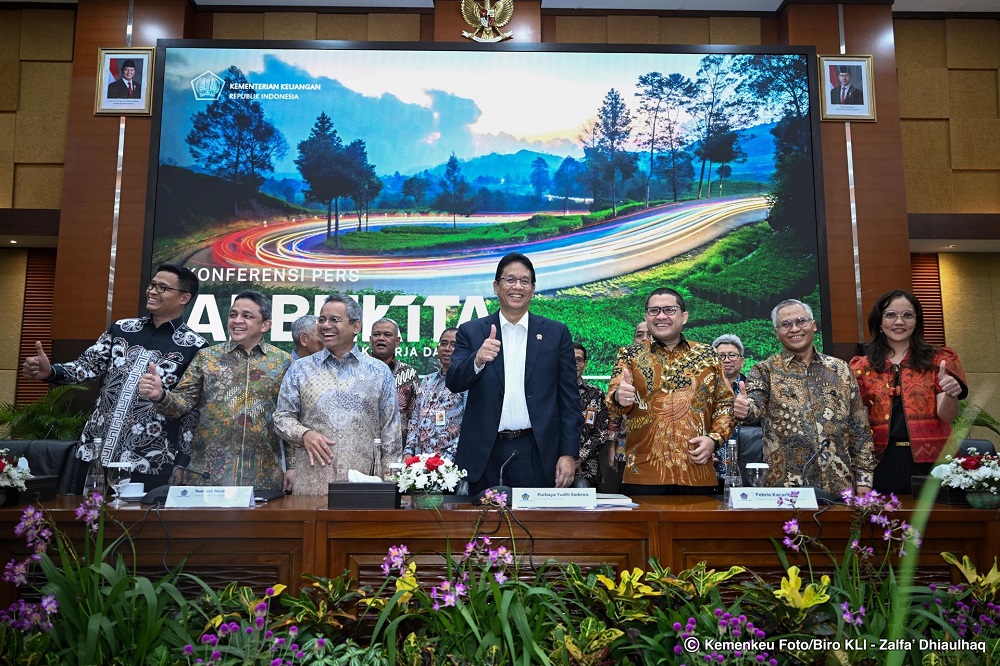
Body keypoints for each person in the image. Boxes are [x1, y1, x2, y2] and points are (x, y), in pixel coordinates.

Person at [21, 264, 207, 490]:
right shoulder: (122, 329)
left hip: (149, 460)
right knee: (86, 520)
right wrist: (50, 371)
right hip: (95, 453)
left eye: (163, 288)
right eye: (152, 285)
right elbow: (86, 366)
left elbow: (190, 410)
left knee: (134, 524)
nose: (152, 291)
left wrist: (182, 461)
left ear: (184, 298)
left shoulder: (195, 347)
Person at [446, 252, 581, 494]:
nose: (517, 286)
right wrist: (476, 360)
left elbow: (569, 400)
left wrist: (568, 454)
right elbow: (454, 381)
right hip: (485, 454)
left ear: (533, 288)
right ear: (496, 287)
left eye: (524, 281)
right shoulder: (471, 331)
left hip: (537, 452)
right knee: (481, 529)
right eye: (510, 280)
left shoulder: (555, 333)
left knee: (537, 529)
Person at [138, 290, 293, 491]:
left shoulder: (282, 362)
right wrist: (160, 395)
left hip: (262, 475)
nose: (237, 321)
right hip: (208, 476)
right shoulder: (207, 358)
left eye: (247, 316)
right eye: (233, 314)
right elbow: (181, 404)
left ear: (265, 325)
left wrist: (292, 466)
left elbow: (288, 417)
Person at [733, 298, 875, 497]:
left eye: (801, 321)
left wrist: (865, 481)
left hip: (840, 488)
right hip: (786, 491)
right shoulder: (764, 370)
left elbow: (859, 429)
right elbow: (754, 409)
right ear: (776, 333)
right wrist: (745, 409)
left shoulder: (840, 369)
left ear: (814, 325)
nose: (794, 329)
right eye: (785, 324)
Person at [607, 288, 733, 495]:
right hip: (644, 473)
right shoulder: (629, 354)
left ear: (684, 317)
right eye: (654, 311)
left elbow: (725, 404)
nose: (661, 316)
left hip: (697, 471)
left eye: (669, 310)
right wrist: (619, 398)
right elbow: (612, 403)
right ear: (646, 317)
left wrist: (714, 439)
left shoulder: (708, 354)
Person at [272, 294, 401, 495]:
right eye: (322, 320)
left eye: (334, 320)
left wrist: (392, 484)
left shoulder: (378, 371)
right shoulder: (300, 369)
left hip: (363, 485)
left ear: (355, 327)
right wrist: (304, 434)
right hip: (312, 484)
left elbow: (391, 431)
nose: (325, 326)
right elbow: (281, 418)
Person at [850, 290, 967, 495]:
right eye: (890, 315)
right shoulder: (862, 368)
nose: (899, 321)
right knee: (886, 522)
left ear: (916, 322)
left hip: (933, 462)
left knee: (940, 524)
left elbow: (947, 416)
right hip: (882, 462)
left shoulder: (938, 360)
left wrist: (950, 393)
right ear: (879, 321)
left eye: (907, 315)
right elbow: (859, 424)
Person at [404, 328, 466, 461]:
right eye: (444, 344)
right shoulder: (427, 380)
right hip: (421, 463)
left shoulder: (467, 381)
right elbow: (415, 419)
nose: (447, 348)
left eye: (453, 344)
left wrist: (448, 459)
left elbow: (471, 426)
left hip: (450, 465)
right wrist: (408, 451)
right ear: (437, 349)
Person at [369, 318, 417, 442]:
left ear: (397, 342)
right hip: (362, 447)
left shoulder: (409, 373)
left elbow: (416, 417)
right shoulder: (356, 370)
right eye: (376, 334)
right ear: (370, 340)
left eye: (387, 335)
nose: (381, 338)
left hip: (399, 447)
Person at [574, 342, 610, 487]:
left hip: (587, 469)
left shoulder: (596, 393)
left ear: (585, 364)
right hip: (554, 468)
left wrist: (579, 458)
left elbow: (601, 433)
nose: (574, 364)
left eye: (578, 360)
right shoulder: (550, 393)